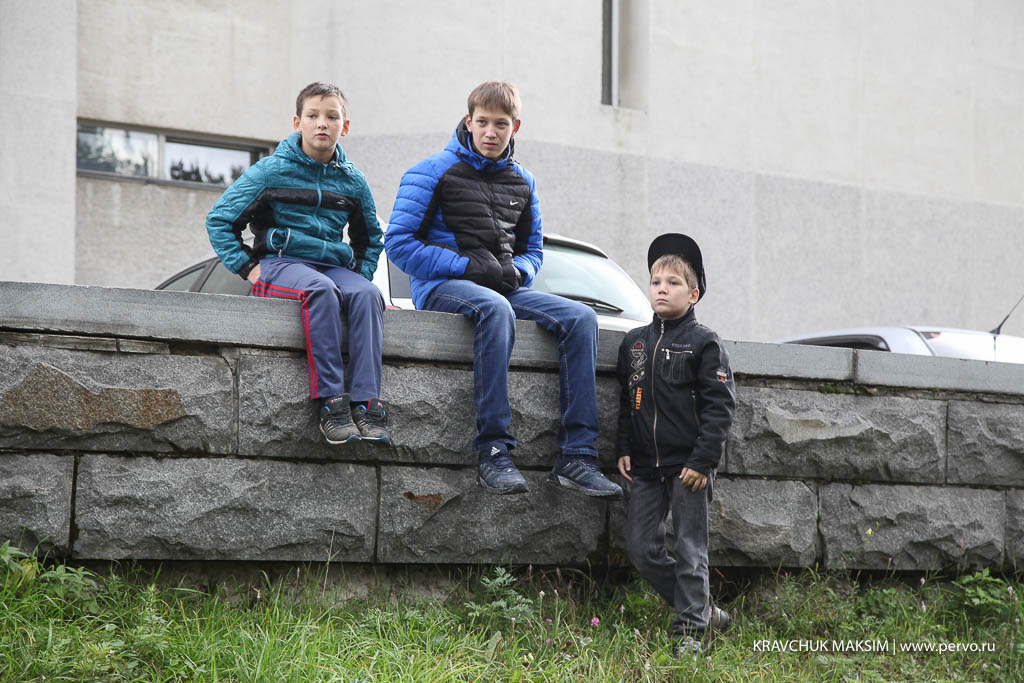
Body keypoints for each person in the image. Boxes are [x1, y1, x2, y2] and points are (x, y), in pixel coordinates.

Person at [385, 80, 621, 498]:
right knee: (496, 309)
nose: (490, 132)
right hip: (443, 286)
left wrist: (520, 273)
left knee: (581, 317)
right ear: (468, 121)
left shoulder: (524, 181)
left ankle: (577, 456)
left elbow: (533, 250)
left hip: (502, 288)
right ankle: (494, 450)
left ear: (516, 126)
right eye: (482, 122)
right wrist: (463, 265)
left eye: (500, 124)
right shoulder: (431, 171)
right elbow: (399, 244)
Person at [206, 81, 390, 447]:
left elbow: (370, 239)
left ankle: (367, 405)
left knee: (368, 294)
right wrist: (249, 268)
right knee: (320, 290)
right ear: (297, 122)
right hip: (281, 263)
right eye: (313, 115)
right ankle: (332, 404)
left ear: (344, 126)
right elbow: (219, 220)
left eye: (332, 117)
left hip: (334, 267)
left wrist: (359, 277)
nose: (322, 123)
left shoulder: (353, 181)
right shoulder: (270, 172)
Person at [616, 233, 736, 658]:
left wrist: (703, 461)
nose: (661, 289)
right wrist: (624, 446)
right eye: (655, 282)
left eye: (673, 283)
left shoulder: (705, 343)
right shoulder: (633, 343)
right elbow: (627, 401)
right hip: (646, 467)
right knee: (641, 548)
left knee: (690, 551)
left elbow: (721, 407)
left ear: (694, 293)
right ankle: (703, 610)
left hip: (689, 468)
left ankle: (690, 633)